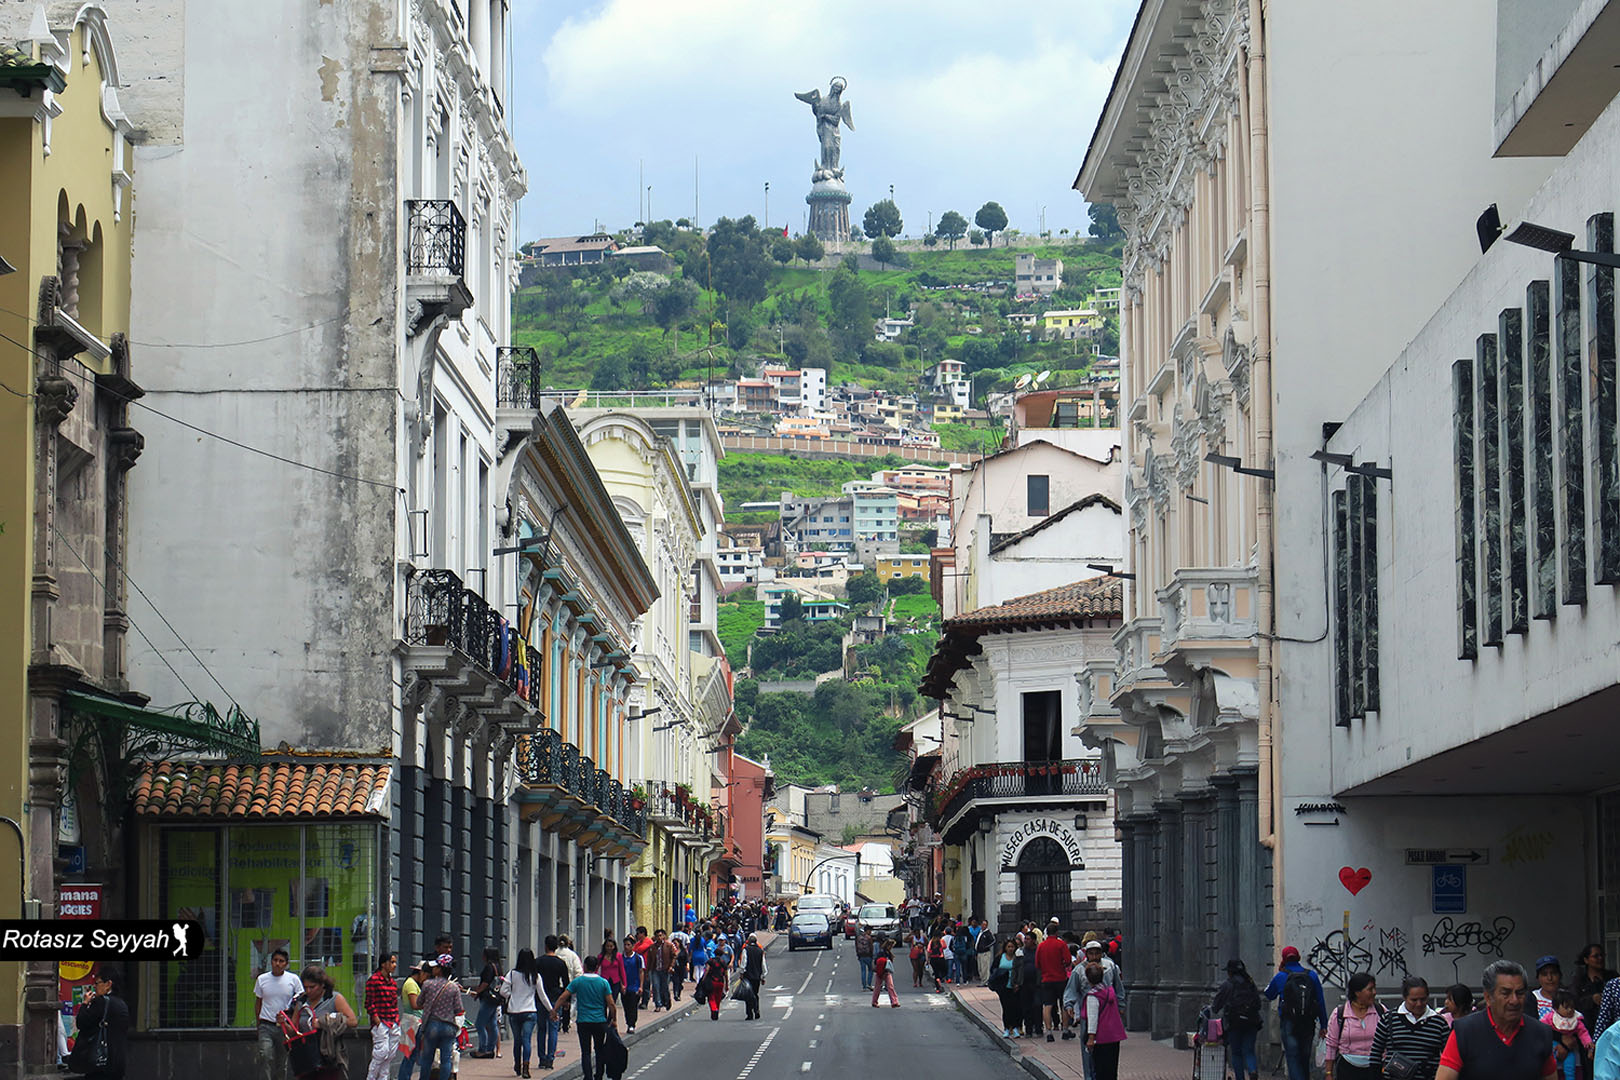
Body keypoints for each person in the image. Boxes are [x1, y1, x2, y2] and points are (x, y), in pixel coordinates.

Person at [1435, 960, 1557, 1080]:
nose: (1514, 1000)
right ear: (1488, 997)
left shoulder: (1540, 1033)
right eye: (1506, 993)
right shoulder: (1465, 1032)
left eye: (1520, 993)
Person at [1265, 946, 1329, 1080]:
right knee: (1304, 1057)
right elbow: (1321, 1001)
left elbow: (1269, 995)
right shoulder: (1311, 975)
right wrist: (1324, 1024)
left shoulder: (1281, 976)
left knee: (1293, 1057)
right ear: (1298, 957)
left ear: (1283, 959)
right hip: (1308, 1022)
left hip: (1289, 1022)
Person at [1371, 975, 1452, 1080]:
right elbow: (1375, 1054)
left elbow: (1449, 1057)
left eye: (1423, 999)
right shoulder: (1388, 1019)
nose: (1419, 1004)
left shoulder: (1439, 1022)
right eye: (1414, 1000)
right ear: (1405, 998)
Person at [551, 955, 616, 1080]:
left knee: (585, 1051)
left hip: (583, 1021)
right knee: (599, 1049)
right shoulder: (603, 982)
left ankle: (588, 1076)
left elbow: (563, 996)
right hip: (599, 1020)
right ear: (597, 967)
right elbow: (611, 1003)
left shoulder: (578, 981)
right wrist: (614, 1019)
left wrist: (554, 1010)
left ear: (584, 966)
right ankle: (599, 1075)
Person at [294, 964, 357, 1080]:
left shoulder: (334, 998)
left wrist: (325, 1022)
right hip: (306, 1057)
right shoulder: (301, 1001)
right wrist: (284, 1023)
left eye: (312, 987)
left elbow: (352, 1021)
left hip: (327, 1056)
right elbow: (294, 1028)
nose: (308, 991)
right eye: (305, 987)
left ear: (322, 985)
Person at [71, 965, 129, 1080]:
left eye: (97, 983)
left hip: (100, 1061)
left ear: (108, 984)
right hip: (117, 1062)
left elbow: (81, 1022)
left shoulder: (101, 1002)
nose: (95, 987)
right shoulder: (122, 1004)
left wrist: (85, 1004)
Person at [255, 946, 304, 1080]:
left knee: (281, 1061)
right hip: (266, 1024)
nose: (278, 963)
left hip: (284, 1026)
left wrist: (292, 1021)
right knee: (265, 1055)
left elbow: (299, 1001)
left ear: (286, 964)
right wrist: (258, 1024)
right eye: (275, 960)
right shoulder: (262, 979)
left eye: (281, 961)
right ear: (271, 962)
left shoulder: (293, 980)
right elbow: (258, 1002)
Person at [1324, 973, 1385, 1080]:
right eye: (1370, 989)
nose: (1374, 993)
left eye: (1374, 988)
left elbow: (1389, 1040)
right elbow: (1331, 1044)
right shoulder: (1339, 1014)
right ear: (1357, 992)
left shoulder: (1381, 1011)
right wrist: (1329, 1073)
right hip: (1347, 1069)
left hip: (1375, 1069)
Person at [1212, 959, 1265, 1080]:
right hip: (1251, 1022)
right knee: (1249, 1051)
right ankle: (1252, 1071)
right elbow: (1258, 1004)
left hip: (1234, 1022)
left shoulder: (1228, 984)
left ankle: (1240, 1078)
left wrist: (1215, 1009)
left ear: (1230, 972)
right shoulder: (1250, 983)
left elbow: (1216, 1005)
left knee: (1236, 1052)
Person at [417, 954, 465, 1080]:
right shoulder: (454, 987)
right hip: (448, 1027)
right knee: (446, 1060)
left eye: (436, 966)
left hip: (432, 1025)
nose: (433, 969)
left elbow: (418, 1002)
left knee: (427, 1059)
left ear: (439, 969)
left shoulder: (427, 984)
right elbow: (459, 1008)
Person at [506, 948, 551, 1080]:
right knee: (527, 1040)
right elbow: (542, 996)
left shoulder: (512, 974)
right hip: (530, 1011)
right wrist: (551, 1010)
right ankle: (526, 1066)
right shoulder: (535, 976)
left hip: (514, 1011)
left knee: (517, 1040)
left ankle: (517, 1064)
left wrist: (513, 995)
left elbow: (503, 991)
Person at [1084, 963, 1129, 1080]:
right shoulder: (1110, 991)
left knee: (1100, 1069)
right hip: (1114, 1034)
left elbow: (1093, 1017)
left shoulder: (1093, 996)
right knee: (1112, 1068)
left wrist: (1091, 1037)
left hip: (1101, 1036)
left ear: (1088, 979)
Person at [363, 952, 402, 1080]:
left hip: (393, 1021)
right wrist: (377, 1020)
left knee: (390, 1055)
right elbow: (369, 1003)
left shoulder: (392, 982)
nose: (394, 965)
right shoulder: (374, 980)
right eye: (392, 962)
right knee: (381, 1053)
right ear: (383, 964)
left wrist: (396, 1020)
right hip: (381, 1022)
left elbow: (394, 1003)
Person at [537, 937, 571, 1071]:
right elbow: (567, 982)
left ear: (545, 946)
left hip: (540, 998)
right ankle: (550, 1059)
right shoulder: (560, 963)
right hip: (555, 999)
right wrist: (566, 1000)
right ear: (556, 947)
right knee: (553, 1029)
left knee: (541, 1029)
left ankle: (541, 1058)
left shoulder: (538, 962)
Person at [1037, 918, 1074, 1042]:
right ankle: (1065, 1030)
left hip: (1046, 978)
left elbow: (1037, 964)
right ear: (1057, 932)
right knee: (1063, 1004)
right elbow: (1068, 961)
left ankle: (1049, 1032)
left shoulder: (1041, 946)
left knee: (1047, 1005)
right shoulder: (1061, 944)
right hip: (1060, 978)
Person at [1550, 990, 1594, 1080]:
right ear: (1556, 1008)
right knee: (1550, 1066)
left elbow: (1583, 1033)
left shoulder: (1576, 1020)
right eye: (1566, 1007)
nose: (1570, 1010)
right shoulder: (1550, 1018)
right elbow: (1542, 1028)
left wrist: (1588, 1043)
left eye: (1572, 1007)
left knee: (1570, 1066)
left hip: (1570, 1048)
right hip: (1553, 1045)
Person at [396, 960, 426, 1080]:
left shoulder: (413, 983)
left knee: (412, 1055)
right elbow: (414, 1004)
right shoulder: (411, 984)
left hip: (414, 1022)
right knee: (410, 1055)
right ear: (421, 972)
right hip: (412, 1023)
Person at [472, 946, 504, 1059]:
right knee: (492, 1023)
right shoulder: (498, 967)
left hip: (487, 998)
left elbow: (485, 983)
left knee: (480, 1024)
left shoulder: (489, 967)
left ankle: (483, 1049)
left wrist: (477, 991)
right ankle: (490, 1049)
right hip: (495, 999)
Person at [1575, 948, 1616, 1035]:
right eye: (1596, 956)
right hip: (1588, 1028)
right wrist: (1592, 999)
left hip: (1612, 1027)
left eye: (1602, 955)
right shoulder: (1579, 981)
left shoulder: (1612, 977)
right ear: (1586, 960)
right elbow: (1575, 1002)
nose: (1600, 958)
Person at [990, 939, 1025, 1037]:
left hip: (1014, 986)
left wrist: (1018, 983)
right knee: (1006, 1007)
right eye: (1008, 947)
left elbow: (1021, 970)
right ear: (1005, 947)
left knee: (1016, 1007)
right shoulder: (1000, 957)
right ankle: (1006, 1028)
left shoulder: (1017, 958)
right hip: (1003, 986)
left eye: (1012, 947)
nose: (1010, 949)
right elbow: (993, 970)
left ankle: (1015, 1027)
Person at [1021, 933, 1046, 1039]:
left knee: (1037, 1005)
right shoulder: (1021, 952)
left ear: (1034, 940)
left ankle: (1039, 1027)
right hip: (1024, 983)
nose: (1025, 941)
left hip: (1036, 983)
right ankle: (1028, 1029)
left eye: (1028, 939)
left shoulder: (1038, 951)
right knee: (1026, 1007)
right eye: (1025, 939)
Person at [619, 937, 643, 1035]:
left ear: (633, 946)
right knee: (626, 1006)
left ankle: (632, 1024)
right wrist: (621, 985)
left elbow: (641, 972)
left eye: (629, 945)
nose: (626, 947)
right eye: (625, 945)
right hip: (625, 986)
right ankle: (628, 1022)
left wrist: (640, 986)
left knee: (633, 1006)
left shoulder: (638, 958)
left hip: (634, 986)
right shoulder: (620, 958)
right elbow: (619, 972)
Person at [743, 934, 768, 1020]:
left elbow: (744, 963)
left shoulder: (746, 950)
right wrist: (763, 976)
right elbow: (763, 964)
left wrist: (742, 972)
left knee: (748, 995)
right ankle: (756, 1010)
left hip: (748, 976)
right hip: (757, 976)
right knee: (755, 994)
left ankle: (749, 1013)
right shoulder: (760, 951)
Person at [649, 929, 673, 1013]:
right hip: (655, 970)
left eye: (660, 935)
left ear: (663, 936)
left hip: (665, 969)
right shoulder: (652, 947)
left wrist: (671, 966)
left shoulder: (668, 946)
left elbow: (674, 956)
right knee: (656, 987)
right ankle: (658, 1004)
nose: (659, 938)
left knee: (664, 987)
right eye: (657, 936)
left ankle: (667, 1001)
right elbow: (650, 959)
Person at [700, 950, 729, 1021]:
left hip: (712, 981)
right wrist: (726, 984)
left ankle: (714, 1009)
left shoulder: (711, 961)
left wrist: (703, 979)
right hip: (720, 982)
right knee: (718, 998)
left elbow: (707, 970)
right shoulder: (723, 962)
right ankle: (717, 1010)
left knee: (711, 997)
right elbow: (726, 975)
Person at [871, 938, 899, 1009]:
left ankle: (875, 1001)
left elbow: (876, 961)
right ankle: (894, 1001)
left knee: (878, 987)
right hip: (885, 971)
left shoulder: (885, 952)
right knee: (889, 987)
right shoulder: (884, 953)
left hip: (881, 972)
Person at [856, 926, 876, 991]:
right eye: (870, 930)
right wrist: (872, 956)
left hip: (861, 956)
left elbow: (856, 946)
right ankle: (869, 984)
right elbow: (871, 947)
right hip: (868, 956)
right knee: (871, 970)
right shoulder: (869, 938)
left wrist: (858, 955)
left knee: (863, 971)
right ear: (867, 930)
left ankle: (864, 986)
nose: (870, 932)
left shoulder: (859, 937)